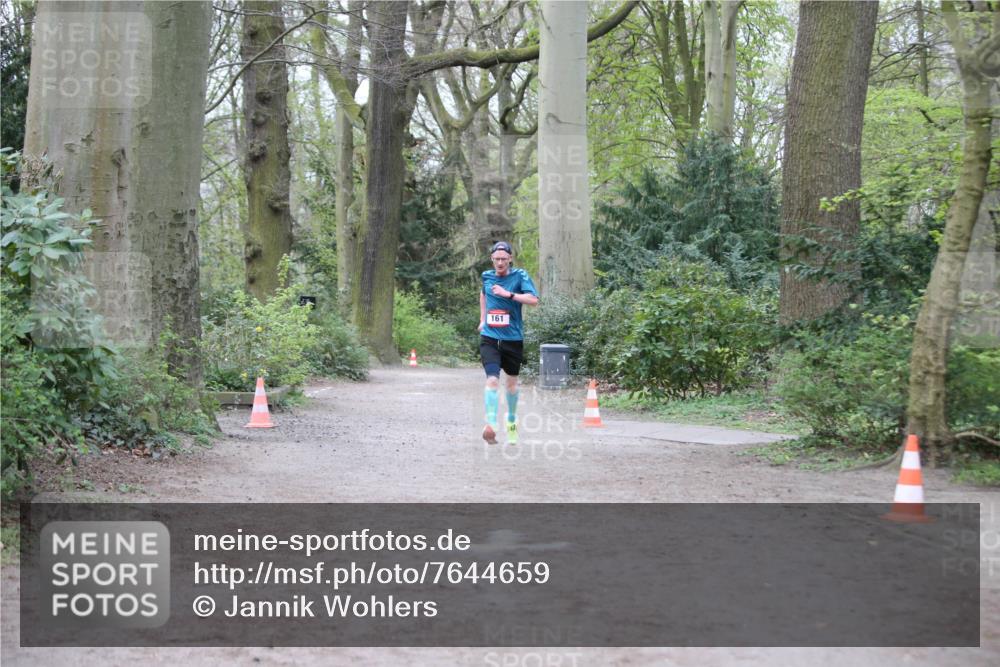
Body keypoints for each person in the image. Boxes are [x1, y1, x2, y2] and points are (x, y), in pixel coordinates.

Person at [478, 241, 539, 445]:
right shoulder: (486, 276)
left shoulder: (519, 276)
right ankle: (492, 424)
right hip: (490, 338)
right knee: (492, 380)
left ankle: (511, 422)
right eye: (497, 259)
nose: (500, 262)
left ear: (510, 259)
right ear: (492, 260)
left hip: (513, 339)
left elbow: (533, 300)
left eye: (504, 259)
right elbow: (483, 295)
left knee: (511, 385)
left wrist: (508, 294)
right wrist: (482, 319)